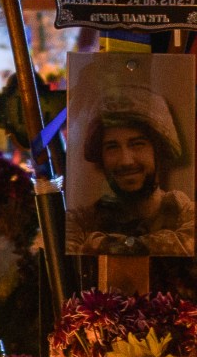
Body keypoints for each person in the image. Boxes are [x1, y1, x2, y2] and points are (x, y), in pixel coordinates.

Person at [72, 82, 196, 257]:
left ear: (159, 150)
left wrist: (115, 246)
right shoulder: (79, 223)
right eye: (112, 147)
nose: (126, 161)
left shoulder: (187, 215)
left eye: (138, 144)